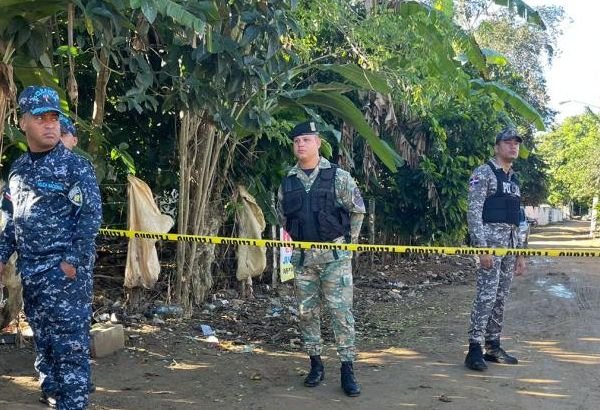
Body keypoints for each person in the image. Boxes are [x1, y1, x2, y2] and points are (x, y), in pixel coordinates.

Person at [0, 86, 102, 409]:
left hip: (64, 277)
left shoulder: (75, 168)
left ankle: (73, 404)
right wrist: (1, 256)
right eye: (40, 118)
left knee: (70, 350)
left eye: (53, 118)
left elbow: (90, 217)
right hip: (32, 275)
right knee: (44, 342)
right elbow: (10, 218)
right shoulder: (18, 170)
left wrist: (70, 263)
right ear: (23, 122)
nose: (49, 124)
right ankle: (53, 393)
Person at [277, 121, 365, 396]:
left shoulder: (338, 177)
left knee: (341, 314)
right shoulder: (288, 181)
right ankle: (315, 364)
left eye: (306, 139)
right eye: (296, 141)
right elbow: (283, 218)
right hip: (303, 260)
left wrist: (349, 247)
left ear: (317, 143)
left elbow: (357, 211)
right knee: (307, 314)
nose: (300, 144)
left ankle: (347, 368)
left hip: (334, 258)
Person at [464, 127, 527, 371]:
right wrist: (482, 248)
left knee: (500, 298)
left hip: (510, 247)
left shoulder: (513, 179)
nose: (513, 146)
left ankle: (493, 346)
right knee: (486, 296)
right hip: (490, 246)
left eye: (516, 143)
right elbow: (474, 212)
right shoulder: (484, 173)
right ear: (497, 147)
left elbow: (518, 218)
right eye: (508, 142)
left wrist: (521, 253)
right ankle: (474, 349)